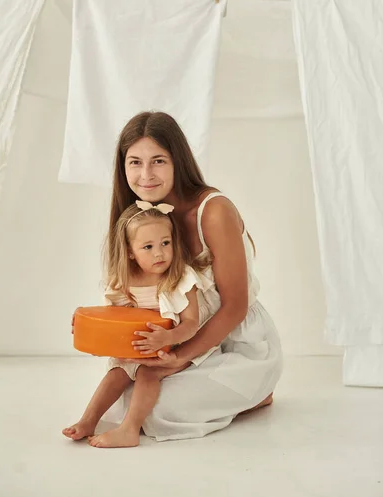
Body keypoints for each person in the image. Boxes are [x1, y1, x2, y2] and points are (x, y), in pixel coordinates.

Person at [100, 111, 283, 442]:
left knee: (156, 414)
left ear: (177, 161)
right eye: (134, 162)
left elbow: (235, 307)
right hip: (183, 340)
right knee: (123, 403)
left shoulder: (213, 211)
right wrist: (96, 325)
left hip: (237, 345)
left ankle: (255, 392)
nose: (145, 175)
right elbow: (139, 298)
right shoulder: (141, 220)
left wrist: (181, 356)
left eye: (158, 161)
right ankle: (225, 395)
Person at [63, 201, 220, 448]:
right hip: (140, 346)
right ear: (129, 251)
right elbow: (112, 318)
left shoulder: (180, 277)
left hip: (180, 346)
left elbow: (192, 323)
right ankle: (88, 420)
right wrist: (85, 322)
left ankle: (129, 429)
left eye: (165, 243)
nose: (159, 253)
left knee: (147, 373)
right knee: (116, 373)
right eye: (148, 247)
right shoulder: (123, 282)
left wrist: (168, 339)